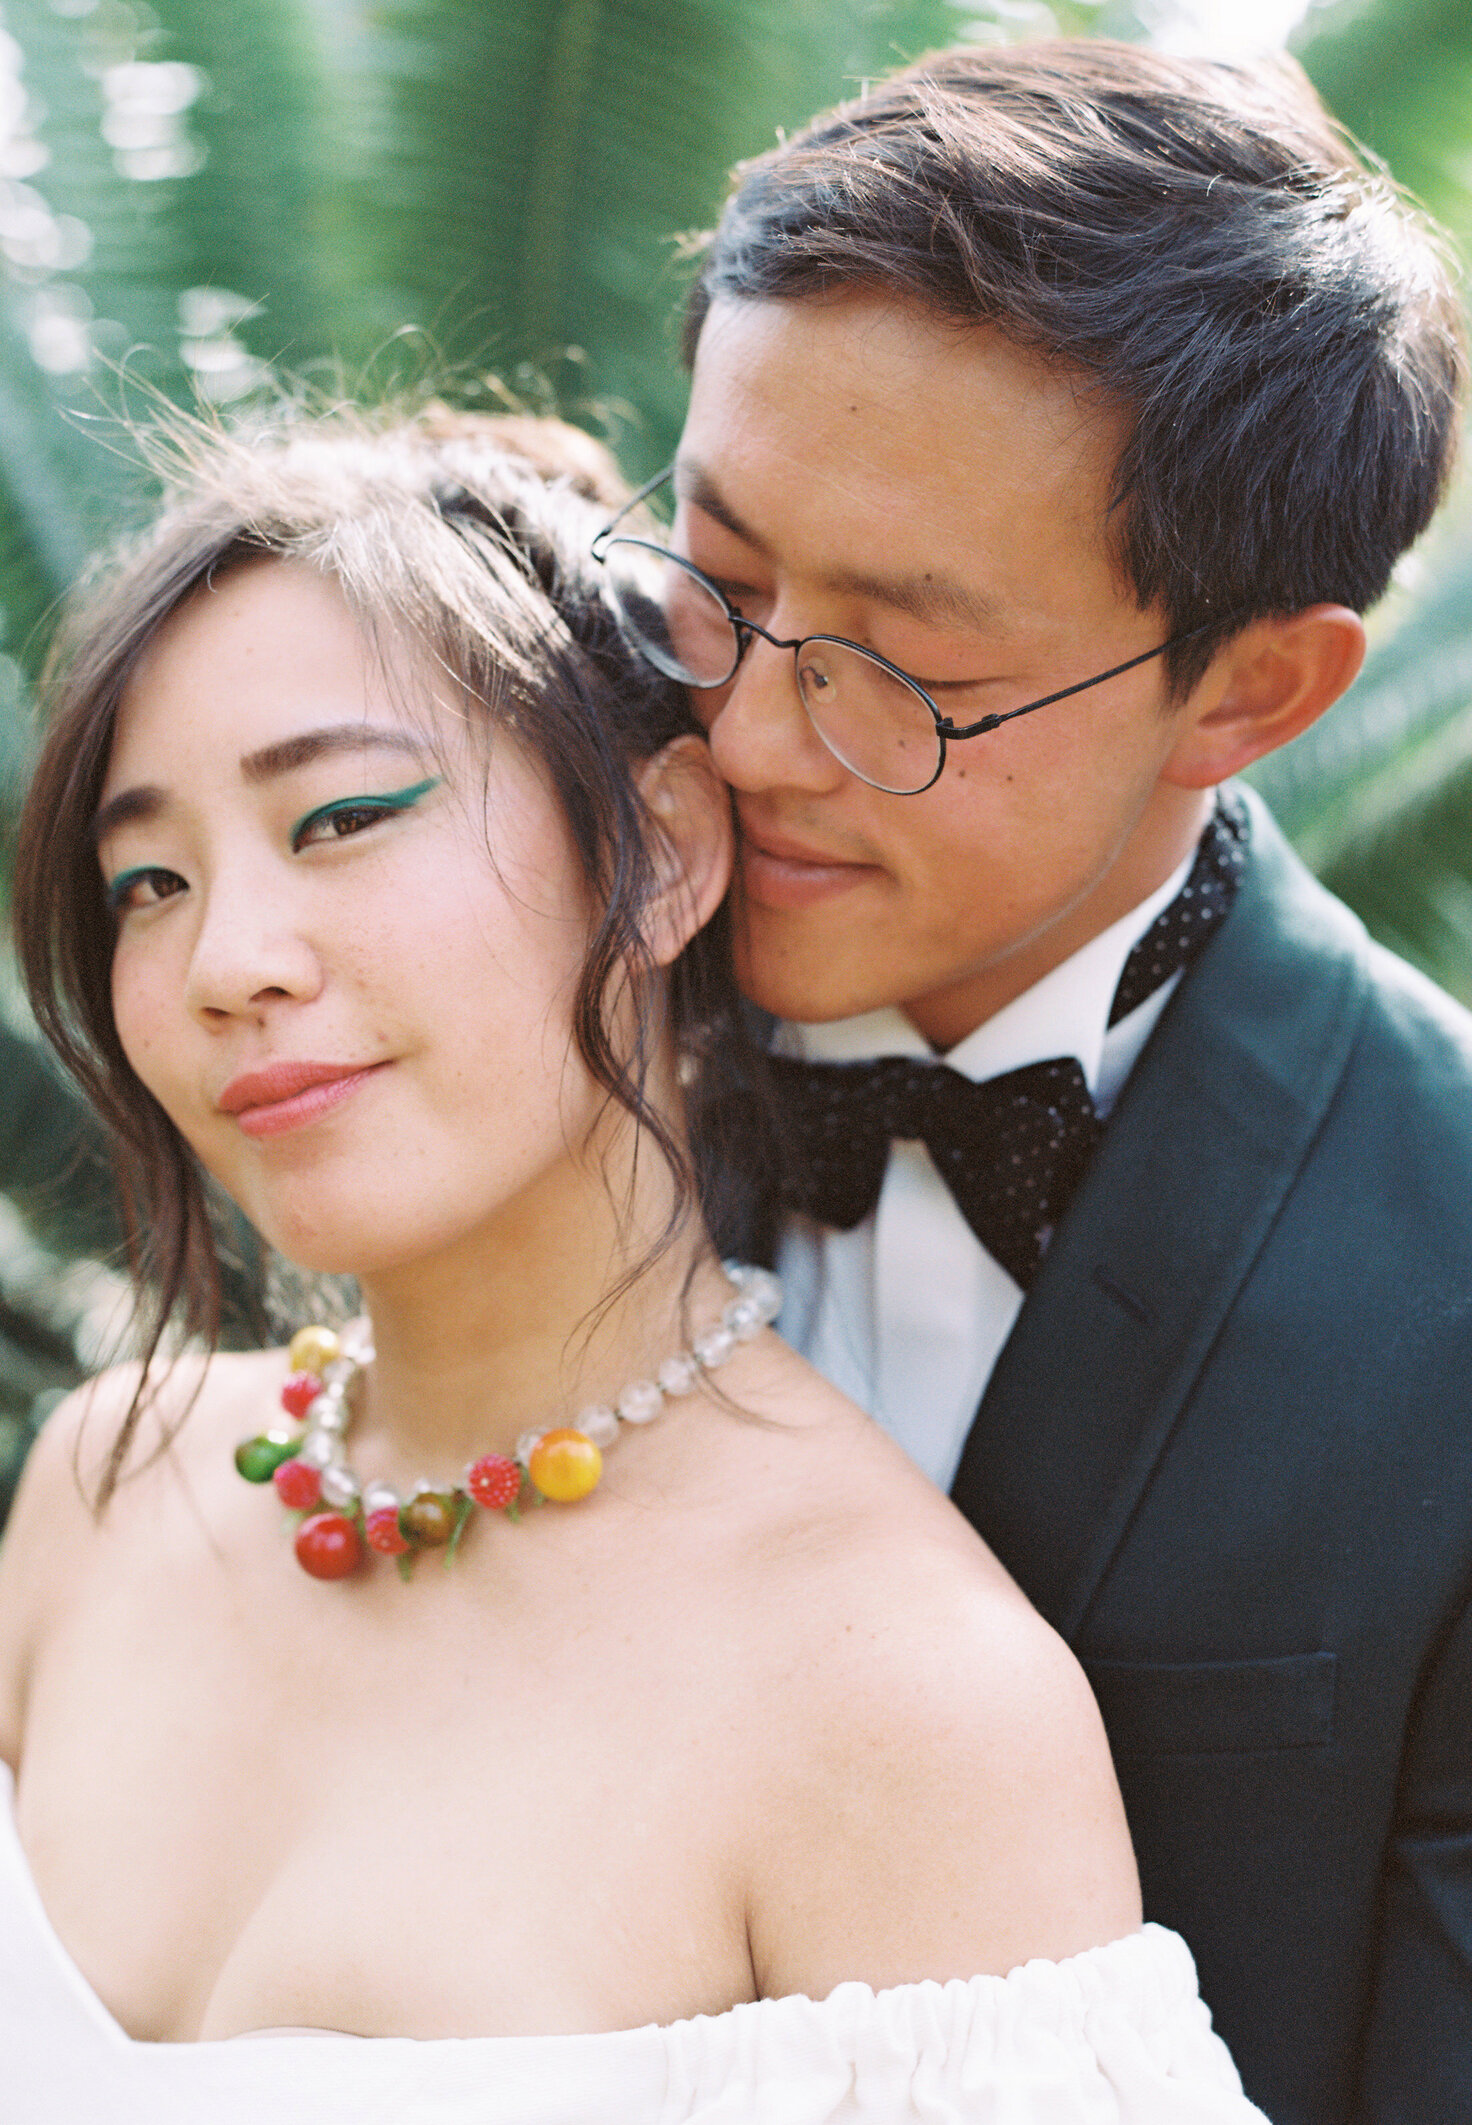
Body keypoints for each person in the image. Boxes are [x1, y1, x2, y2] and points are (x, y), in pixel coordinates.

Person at [0, 406, 1270, 2121]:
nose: (226, 959)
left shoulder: (900, 1700)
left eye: (339, 818)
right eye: (147, 881)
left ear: (665, 849)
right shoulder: (109, 1482)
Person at [595, 37, 1469, 2125]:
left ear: (1247, 689)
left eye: (907, 673)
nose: (752, 736)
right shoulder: (515, 1015)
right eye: (718, 576)